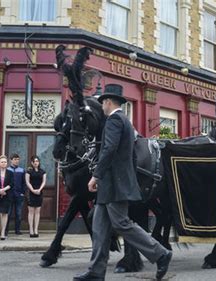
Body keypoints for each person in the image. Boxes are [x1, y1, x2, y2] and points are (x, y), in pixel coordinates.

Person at [74, 84, 172, 281]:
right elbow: (129, 158)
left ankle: (160, 253)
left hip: (114, 184)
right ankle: (96, 271)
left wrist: (96, 176)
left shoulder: (114, 121)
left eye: (103, 104)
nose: (101, 107)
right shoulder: (126, 122)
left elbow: (109, 150)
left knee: (122, 223)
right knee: (99, 226)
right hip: (112, 184)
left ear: (108, 102)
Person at [26, 155, 46, 238]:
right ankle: (31, 229)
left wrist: (39, 189)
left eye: (37, 161)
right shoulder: (28, 172)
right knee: (31, 212)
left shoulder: (42, 171)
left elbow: (44, 182)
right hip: (31, 193)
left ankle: (36, 229)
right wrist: (33, 190)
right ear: (32, 163)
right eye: (34, 161)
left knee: (37, 212)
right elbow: (27, 182)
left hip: (39, 192)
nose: (36, 163)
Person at [6, 153, 26, 235]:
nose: (17, 161)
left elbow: (24, 183)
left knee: (18, 214)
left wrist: (22, 193)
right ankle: (5, 230)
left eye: (18, 159)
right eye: (15, 159)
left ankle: (17, 230)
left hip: (19, 195)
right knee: (8, 213)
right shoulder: (7, 170)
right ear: (11, 160)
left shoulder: (21, 170)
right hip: (9, 195)